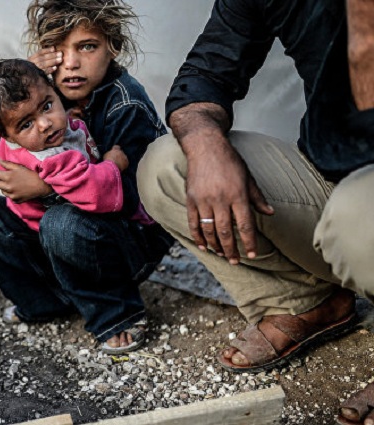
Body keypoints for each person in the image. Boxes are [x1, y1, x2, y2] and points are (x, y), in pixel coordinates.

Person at [134, 0, 374, 423]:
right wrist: (206, 146)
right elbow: (208, 71)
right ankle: (306, 301)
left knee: (358, 218)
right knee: (168, 168)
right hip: (335, 176)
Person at [0, 0, 173, 354]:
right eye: (57, 51)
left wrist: (45, 188)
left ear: (113, 47)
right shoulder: (44, 91)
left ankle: (117, 314)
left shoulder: (126, 105)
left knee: (60, 222)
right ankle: (45, 303)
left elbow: (132, 199)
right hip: (63, 234)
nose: (71, 63)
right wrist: (19, 82)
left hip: (126, 238)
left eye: (87, 47)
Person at [0, 57, 134, 233]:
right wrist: (113, 164)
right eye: (27, 124)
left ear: (53, 90)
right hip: (56, 230)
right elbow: (94, 191)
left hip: (31, 220)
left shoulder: (13, 136)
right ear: (5, 135)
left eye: (47, 107)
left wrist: (67, 117)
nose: (45, 124)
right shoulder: (52, 157)